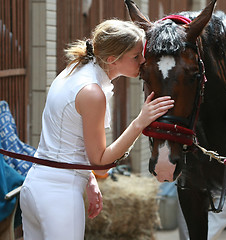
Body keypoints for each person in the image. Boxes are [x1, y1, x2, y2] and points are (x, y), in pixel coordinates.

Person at [19, 19, 174, 240]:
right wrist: (140, 122)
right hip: (58, 198)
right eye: (136, 56)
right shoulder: (92, 92)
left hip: (35, 187)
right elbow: (101, 164)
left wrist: (88, 179)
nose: (143, 61)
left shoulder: (74, 69)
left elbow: (68, 139)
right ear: (112, 59)